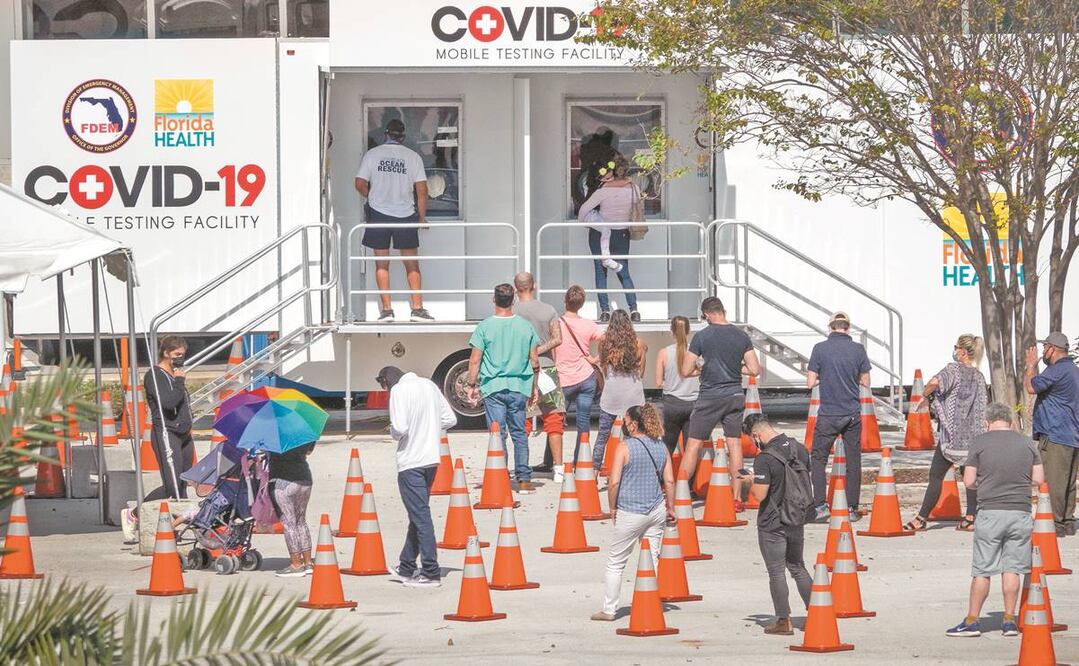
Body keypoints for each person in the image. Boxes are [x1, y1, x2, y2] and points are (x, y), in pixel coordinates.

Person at [946, 402, 1044, 638]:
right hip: (1020, 512)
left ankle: (972, 620)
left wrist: (988, 483)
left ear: (987, 422)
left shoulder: (980, 442)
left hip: (990, 512)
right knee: (1012, 568)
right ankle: (1009, 621)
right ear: (1010, 422)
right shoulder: (1027, 443)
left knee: (982, 570)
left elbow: (969, 481)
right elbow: (1039, 479)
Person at [590, 404, 675, 621]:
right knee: (651, 559)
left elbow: (614, 482)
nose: (624, 425)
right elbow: (669, 480)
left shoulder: (624, 448)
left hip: (630, 511)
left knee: (616, 562)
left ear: (634, 424)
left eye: (626, 421)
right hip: (656, 509)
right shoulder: (660, 446)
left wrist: (612, 507)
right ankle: (648, 602)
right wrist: (671, 507)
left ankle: (609, 609)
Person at [678, 297, 760, 507]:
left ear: (707, 314)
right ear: (723, 311)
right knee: (734, 445)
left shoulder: (702, 336)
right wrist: (735, 367)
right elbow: (754, 369)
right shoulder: (742, 336)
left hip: (710, 397)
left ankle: (680, 492)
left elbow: (685, 370)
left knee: (693, 444)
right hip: (734, 395)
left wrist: (702, 368)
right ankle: (736, 497)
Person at [381, 365, 457, 587]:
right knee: (418, 513)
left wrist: (393, 432)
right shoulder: (429, 385)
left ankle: (431, 571)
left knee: (421, 516)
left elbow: (400, 428)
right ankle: (406, 566)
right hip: (431, 460)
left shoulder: (398, 391)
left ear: (387, 382)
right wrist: (428, 428)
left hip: (410, 461)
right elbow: (450, 419)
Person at [905, 334, 987, 532]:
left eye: (956, 346)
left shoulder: (953, 370)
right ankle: (971, 517)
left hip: (952, 438)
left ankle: (921, 517)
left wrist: (925, 396)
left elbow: (934, 382)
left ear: (962, 351)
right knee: (970, 479)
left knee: (936, 476)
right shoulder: (979, 376)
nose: (954, 350)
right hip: (973, 439)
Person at [355, 118, 434, 323]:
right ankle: (417, 309)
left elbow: (359, 183)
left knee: (382, 264)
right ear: (403, 137)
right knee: (412, 264)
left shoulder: (372, 155)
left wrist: (373, 196)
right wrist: (422, 218)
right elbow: (422, 191)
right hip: (406, 214)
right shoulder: (413, 157)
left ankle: (387, 311)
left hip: (379, 214)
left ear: (386, 135)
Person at [467, 283, 540, 493]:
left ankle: (501, 476)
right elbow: (534, 361)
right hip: (519, 386)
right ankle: (524, 479)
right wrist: (534, 388)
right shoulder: (525, 326)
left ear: (494, 300)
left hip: (494, 387)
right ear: (514, 300)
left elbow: (475, 360)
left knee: (497, 434)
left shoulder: (485, 326)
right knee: (520, 433)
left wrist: (472, 384)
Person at [745, 413, 813, 636]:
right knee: (798, 566)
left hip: (773, 521)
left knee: (776, 572)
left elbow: (759, 495)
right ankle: (817, 611)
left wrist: (752, 481)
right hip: (796, 516)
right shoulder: (799, 448)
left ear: (756, 435)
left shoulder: (764, 458)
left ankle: (783, 621)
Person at [806, 312, 870, 522]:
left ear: (830, 327)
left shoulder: (820, 349)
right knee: (853, 461)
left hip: (828, 414)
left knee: (818, 459)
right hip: (851, 414)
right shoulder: (858, 350)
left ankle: (821, 505)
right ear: (848, 328)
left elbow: (810, 382)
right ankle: (851, 508)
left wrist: (824, 378)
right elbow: (866, 382)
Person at [1024, 331, 1079, 537]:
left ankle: (1054, 524)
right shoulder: (1072, 370)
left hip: (1056, 435)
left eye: (1044, 347)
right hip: (1071, 435)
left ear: (1052, 350)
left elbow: (1031, 387)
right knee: (1067, 482)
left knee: (1053, 482)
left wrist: (1031, 366)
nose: (1042, 352)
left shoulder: (1056, 371)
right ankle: (1066, 521)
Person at [513, 272, 565, 482]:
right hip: (548, 369)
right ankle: (559, 469)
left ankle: (521, 467)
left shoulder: (512, 313)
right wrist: (539, 350)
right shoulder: (549, 310)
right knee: (554, 418)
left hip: (522, 371)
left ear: (516, 288)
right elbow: (558, 339)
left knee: (522, 420)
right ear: (534, 285)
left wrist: (528, 354)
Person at [577, 153, 639, 323]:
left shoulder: (602, 191)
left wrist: (592, 220)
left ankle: (605, 311)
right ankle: (634, 310)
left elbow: (582, 212)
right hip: (622, 233)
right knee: (624, 272)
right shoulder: (634, 187)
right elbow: (638, 202)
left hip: (600, 234)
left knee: (600, 272)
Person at [552, 285, 603, 470]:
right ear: (581, 304)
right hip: (585, 376)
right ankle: (580, 461)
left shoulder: (556, 323)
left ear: (565, 301)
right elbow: (607, 340)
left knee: (555, 422)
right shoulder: (589, 325)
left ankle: (552, 461)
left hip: (563, 379)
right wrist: (596, 358)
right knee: (583, 422)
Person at [143, 335, 196, 501]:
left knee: (183, 482)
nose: (181, 358)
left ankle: (179, 520)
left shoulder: (174, 373)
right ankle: (136, 512)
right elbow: (168, 402)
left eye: (183, 355)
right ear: (166, 353)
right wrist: (179, 381)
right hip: (167, 432)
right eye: (177, 354)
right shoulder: (155, 375)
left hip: (183, 433)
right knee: (171, 485)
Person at [593, 310, 646, 469]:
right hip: (634, 394)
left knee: (602, 436)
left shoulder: (605, 343)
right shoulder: (638, 343)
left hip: (611, 393)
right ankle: (634, 468)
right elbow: (641, 372)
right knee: (636, 434)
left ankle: (593, 472)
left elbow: (602, 366)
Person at [269, 442, 317, 577]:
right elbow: (308, 451)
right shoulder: (304, 431)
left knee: (289, 523)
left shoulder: (272, 433)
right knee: (301, 521)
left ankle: (296, 564)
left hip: (282, 480)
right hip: (304, 478)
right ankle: (308, 563)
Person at [655, 315, 700, 455]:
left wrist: (671, 384)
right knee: (690, 449)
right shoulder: (697, 352)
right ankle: (687, 477)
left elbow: (657, 383)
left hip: (672, 403)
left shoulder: (663, 353)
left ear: (671, 332)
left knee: (667, 447)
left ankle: (665, 476)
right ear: (688, 331)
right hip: (693, 403)